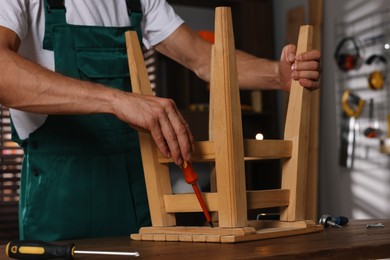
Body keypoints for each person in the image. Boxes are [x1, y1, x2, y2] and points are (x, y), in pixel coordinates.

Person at [0, 0, 321, 241]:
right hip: (58, 205)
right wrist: (116, 100)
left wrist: (277, 74)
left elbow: (205, 59)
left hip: (137, 198)